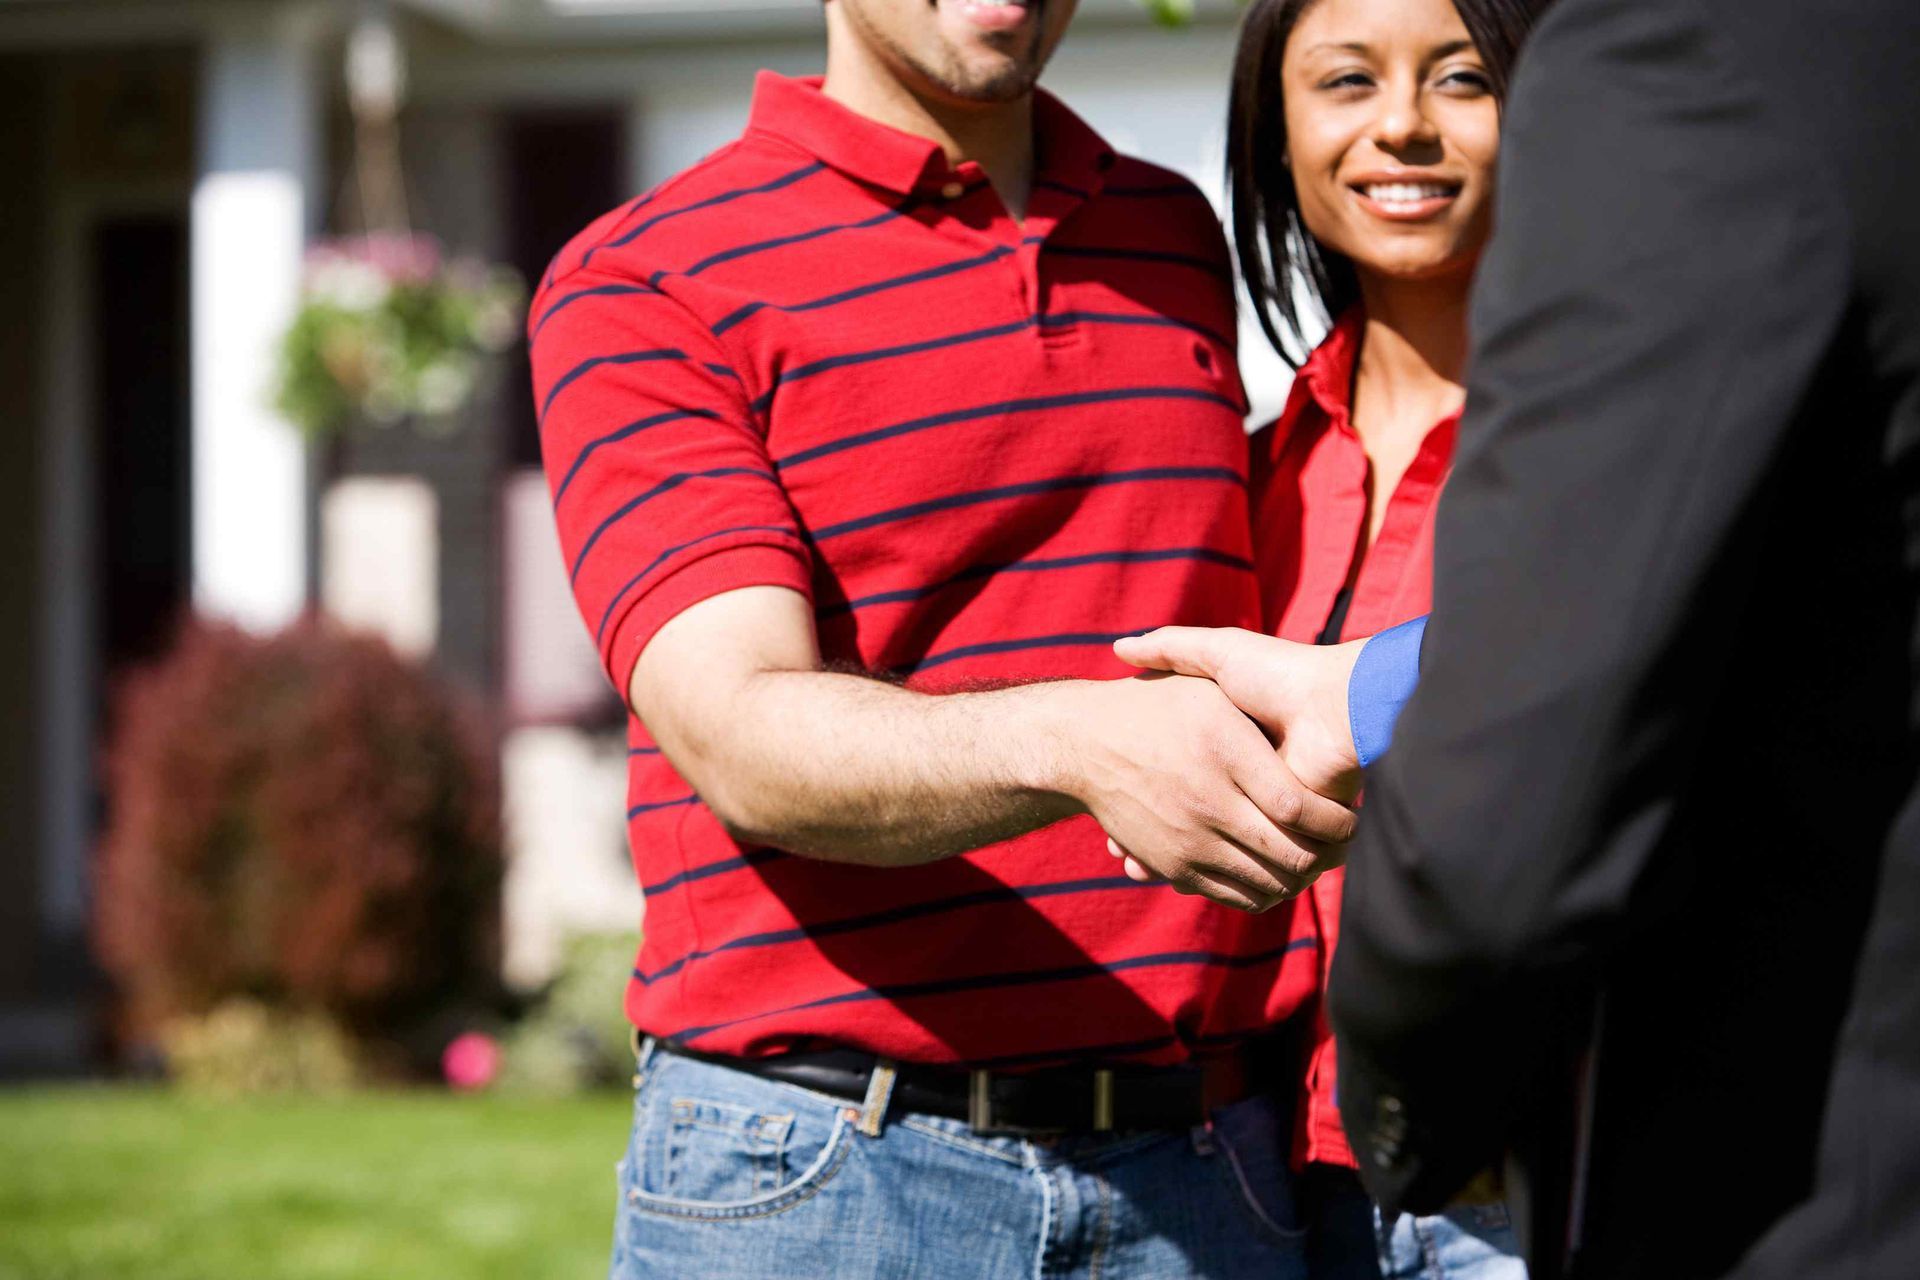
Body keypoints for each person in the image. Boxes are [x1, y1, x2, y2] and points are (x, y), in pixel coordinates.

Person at [527, 0, 1360, 1272]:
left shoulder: (1169, 233)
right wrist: (1079, 740)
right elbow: (742, 733)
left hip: (1204, 1169)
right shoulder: (646, 276)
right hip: (829, 1173)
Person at [1121, 0, 1920, 1276]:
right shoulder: (1247, 475)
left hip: (1533, 1183)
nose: (1404, 127)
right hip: (1269, 1189)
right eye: (1346, 80)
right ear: (1273, 136)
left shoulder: (1640, 439)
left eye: (1460, 79)